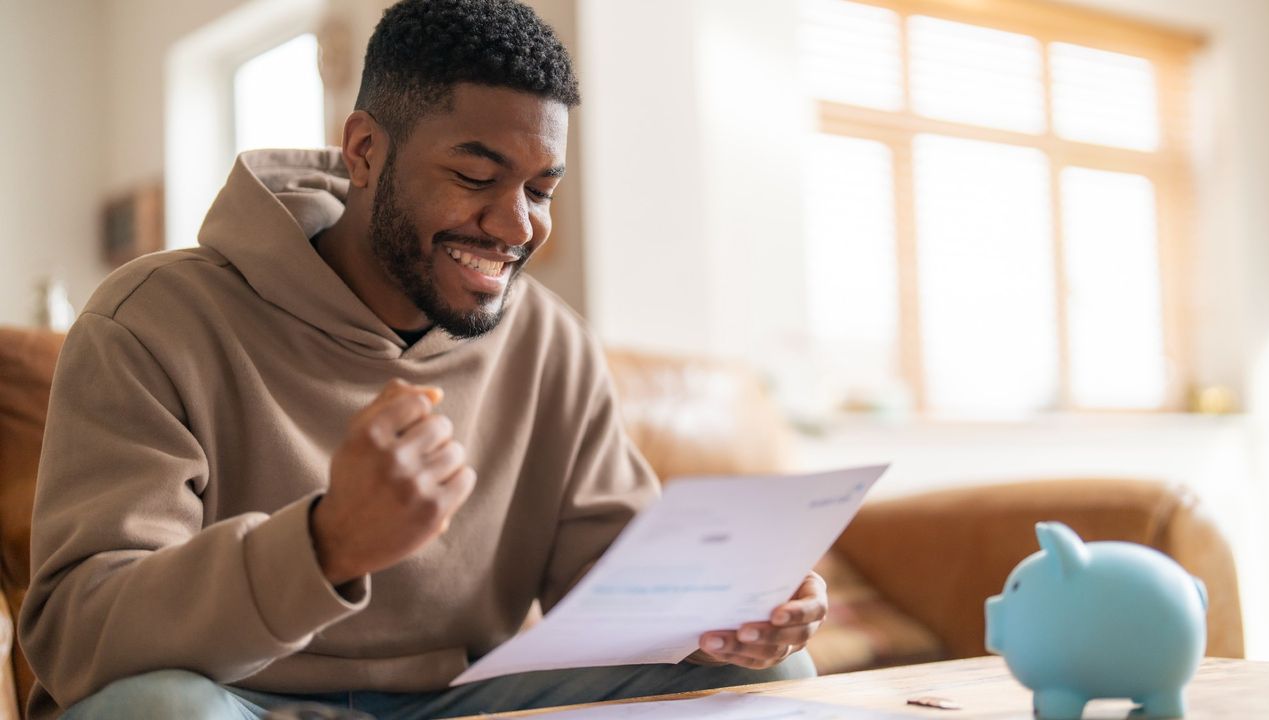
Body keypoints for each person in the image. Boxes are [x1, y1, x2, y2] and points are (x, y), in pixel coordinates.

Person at [18, 1, 829, 718]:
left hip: (463, 701)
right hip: (238, 700)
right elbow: (77, 633)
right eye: (477, 175)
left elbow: (613, 593)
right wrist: (323, 545)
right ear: (366, 151)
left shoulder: (552, 343)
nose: (517, 228)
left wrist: (726, 616)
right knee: (161, 712)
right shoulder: (153, 320)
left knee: (774, 675)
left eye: (541, 190)